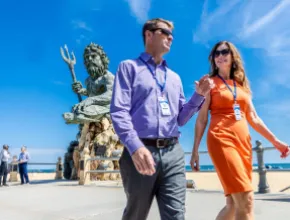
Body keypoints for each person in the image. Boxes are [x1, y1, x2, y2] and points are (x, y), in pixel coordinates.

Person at [110, 18, 214, 220]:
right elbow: (118, 111)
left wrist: (199, 95)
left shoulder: (174, 78)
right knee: (136, 214)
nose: (171, 37)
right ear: (149, 34)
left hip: (173, 152)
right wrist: (135, 146)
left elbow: (181, 119)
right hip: (141, 151)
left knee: (176, 215)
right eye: (164, 32)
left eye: (171, 34)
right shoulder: (128, 68)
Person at [190, 40, 290, 220]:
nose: (219, 56)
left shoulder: (241, 86)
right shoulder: (210, 83)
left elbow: (254, 117)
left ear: (232, 55)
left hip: (243, 144)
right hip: (221, 139)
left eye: (224, 52)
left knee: (233, 205)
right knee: (246, 200)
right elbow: (202, 119)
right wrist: (195, 150)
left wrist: (275, 141)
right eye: (216, 53)